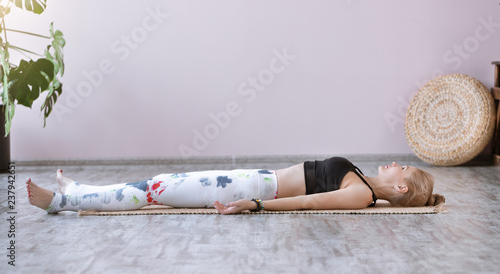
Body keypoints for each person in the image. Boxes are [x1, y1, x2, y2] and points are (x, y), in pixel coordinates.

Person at [26, 157, 445, 215]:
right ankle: (81, 188)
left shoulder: (361, 194)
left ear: (402, 189)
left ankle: (62, 202)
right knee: (156, 183)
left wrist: (255, 206)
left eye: (402, 169)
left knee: (153, 190)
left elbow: (311, 202)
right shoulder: (360, 178)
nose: (395, 164)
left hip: (246, 188)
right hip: (250, 177)